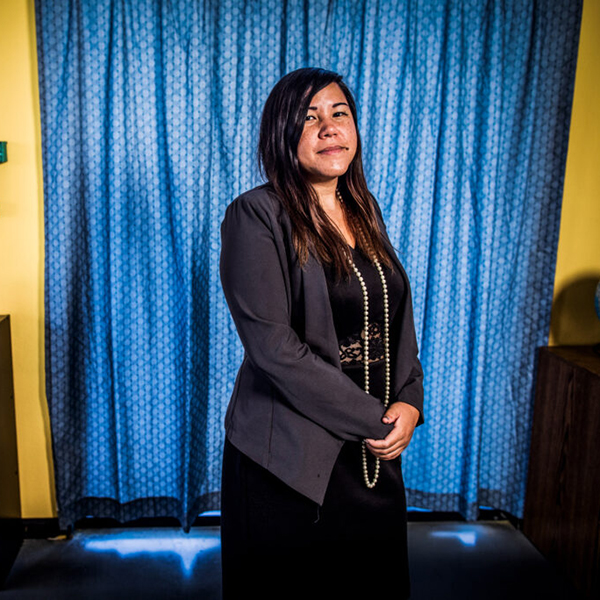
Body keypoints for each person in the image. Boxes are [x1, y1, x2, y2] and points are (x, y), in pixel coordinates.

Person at [219, 67, 423, 599]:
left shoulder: (363, 208)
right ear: (282, 134)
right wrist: (374, 419)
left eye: (340, 114)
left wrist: (410, 400)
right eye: (310, 119)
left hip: (373, 453)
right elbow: (273, 348)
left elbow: (392, 317)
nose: (329, 128)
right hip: (286, 461)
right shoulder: (255, 214)